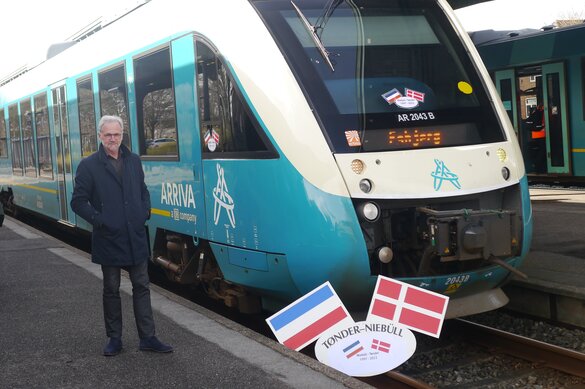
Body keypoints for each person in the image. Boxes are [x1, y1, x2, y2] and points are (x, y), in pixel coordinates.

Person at [71, 115, 172, 356]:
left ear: (122, 135)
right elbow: (78, 202)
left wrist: (144, 212)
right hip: (108, 238)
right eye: (108, 135)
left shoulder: (134, 161)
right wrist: (100, 221)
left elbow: (143, 191)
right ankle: (114, 339)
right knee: (111, 289)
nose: (112, 139)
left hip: (134, 234)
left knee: (142, 286)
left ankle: (148, 337)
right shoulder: (89, 165)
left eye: (116, 134)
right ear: (100, 136)